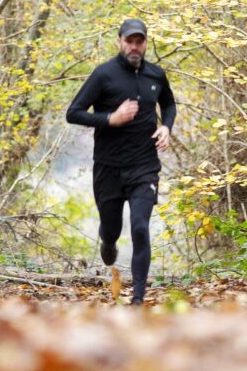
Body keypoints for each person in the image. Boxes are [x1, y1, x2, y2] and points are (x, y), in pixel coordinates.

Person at [65, 18, 176, 305]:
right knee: (111, 228)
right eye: (129, 41)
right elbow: (73, 112)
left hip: (144, 167)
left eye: (139, 41)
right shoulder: (104, 75)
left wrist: (167, 127)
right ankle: (108, 241)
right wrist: (110, 119)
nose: (134, 46)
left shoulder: (155, 75)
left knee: (140, 226)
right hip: (109, 168)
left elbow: (169, 104)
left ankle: (138, 298)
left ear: (146, 43)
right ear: (120, 41)